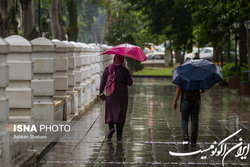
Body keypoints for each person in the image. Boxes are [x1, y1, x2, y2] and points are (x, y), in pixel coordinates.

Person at [99, 54, 133, 141]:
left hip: (111, 95)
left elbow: (103, 82)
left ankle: (111, 128)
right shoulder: (125, 70)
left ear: (114, 59)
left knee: (110, 112)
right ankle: (119, 136)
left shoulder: (108, 69)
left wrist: (101, 93)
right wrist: (128, 72)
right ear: (122, 60)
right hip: (122, 95)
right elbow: (130, 83)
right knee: (120, 114)